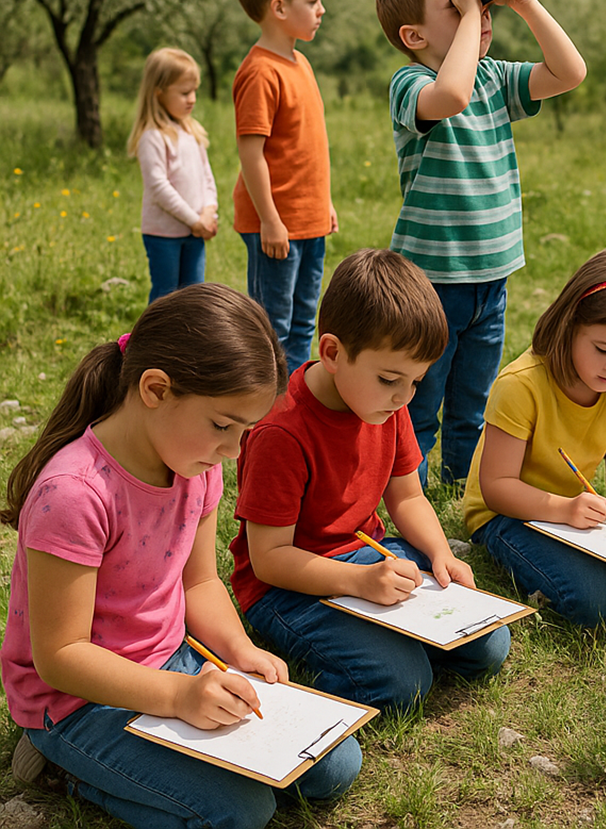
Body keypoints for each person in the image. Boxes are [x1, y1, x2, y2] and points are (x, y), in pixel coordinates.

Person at [0, 285, 361, 829]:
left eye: (245, 431)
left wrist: (239, 650)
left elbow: (198, 585)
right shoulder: (74, 494)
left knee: (334, 765)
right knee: (240, 812)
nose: (234, 452)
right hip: (77, 702)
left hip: (174, 665)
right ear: (155, 389)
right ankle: (68, 769)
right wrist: (178, 695)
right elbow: (61, 655)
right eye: (223, 426)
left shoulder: (196, 465)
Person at [229, 248, 511, 713]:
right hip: (286, 588)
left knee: (486, 644)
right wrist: (360, 583)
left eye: (417, 383)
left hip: (368, 556)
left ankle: (391, 637)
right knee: (402, 684)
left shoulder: (386, 406)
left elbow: (408, 497)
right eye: (389, 379)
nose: (404, 397)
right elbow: (269, 560)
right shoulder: (281, 432)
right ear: (333, 352)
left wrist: (440, 555)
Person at [375, 0, 586, 486]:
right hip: (431, 282)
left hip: (491, 278)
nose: (479, 13)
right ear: (413, 35)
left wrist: (524, 3)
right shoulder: (410, 83)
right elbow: (451, 94)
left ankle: (465, 495)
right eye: (456, 6)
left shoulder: (494, 78)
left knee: (473, 403)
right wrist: (474, 15)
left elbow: (570, 72)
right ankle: (411, 504)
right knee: (419, 407)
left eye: (478, 1)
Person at [463, 247, 606, 627]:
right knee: (592, 599)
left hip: (576, 514)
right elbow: (496, 488)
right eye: (604, 350)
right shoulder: (521, 385)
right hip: (505, 514)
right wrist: (565, 510)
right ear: (571, 323)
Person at [232, 0, 338, 374]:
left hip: (308, 220)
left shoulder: (301, 63)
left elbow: (306, 148)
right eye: (312, 2)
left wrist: (323, 203)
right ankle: (262, 417)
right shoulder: (260, 72)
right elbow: (250, 153)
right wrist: (270, 220)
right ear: (278, 8)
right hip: (276, 226)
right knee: (270, 329)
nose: (321, 10)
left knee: (302, 324)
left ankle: (289, 410)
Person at [126, 47, 218, 303]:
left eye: (194, 91)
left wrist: (209, 212)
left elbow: (207, 179)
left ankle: (186, 344)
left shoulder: (193, 132)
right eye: (184, 92)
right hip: (164, 235)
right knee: (165, 299)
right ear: (159, 93)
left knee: (194, 297)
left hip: (195, 232)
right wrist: (194, 220)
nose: (192, 99)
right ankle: (154, 343)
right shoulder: (152, 137)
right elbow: (159, 187)